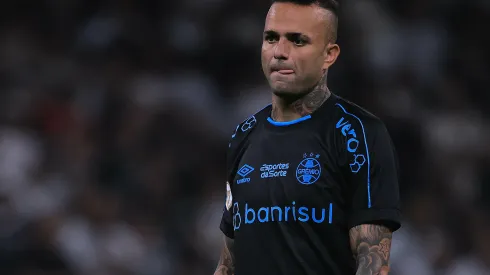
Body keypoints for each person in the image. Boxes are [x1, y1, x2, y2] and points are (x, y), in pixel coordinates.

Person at [214, 0, 401, 274]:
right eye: (271, 38)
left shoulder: (357, 133)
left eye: (297, 41)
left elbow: (372, 263)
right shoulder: (244, 136)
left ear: (329, 55)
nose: (279, 52)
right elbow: (228, 263)